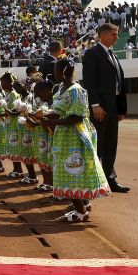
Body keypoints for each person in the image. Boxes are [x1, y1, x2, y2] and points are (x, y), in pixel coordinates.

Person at [41, 58, 111, 222]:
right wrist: (43, 116)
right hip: (63, 136)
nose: (54, 74)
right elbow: (58, 111)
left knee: (72, 171)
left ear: (64, 71)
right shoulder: (60, 90)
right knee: (66, 172)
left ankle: (81, 212)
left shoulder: (76, 90)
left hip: (75, 137)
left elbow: (77, 117)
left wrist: (53, 122)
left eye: (57, 70)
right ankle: (81, 207)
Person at [81, 23, 129, 193]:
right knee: (98, 145)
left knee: (110, 144)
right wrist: (95, 105)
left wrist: (121, 109)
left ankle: (110, 179)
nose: (116, 37)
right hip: (100, 108)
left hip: (113, 107)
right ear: (102, 35)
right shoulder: (92, 53)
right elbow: (89, 81)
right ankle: (92, 180)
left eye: (116, 34)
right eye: (113, 34)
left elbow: (119, 84)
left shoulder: (112, 54)